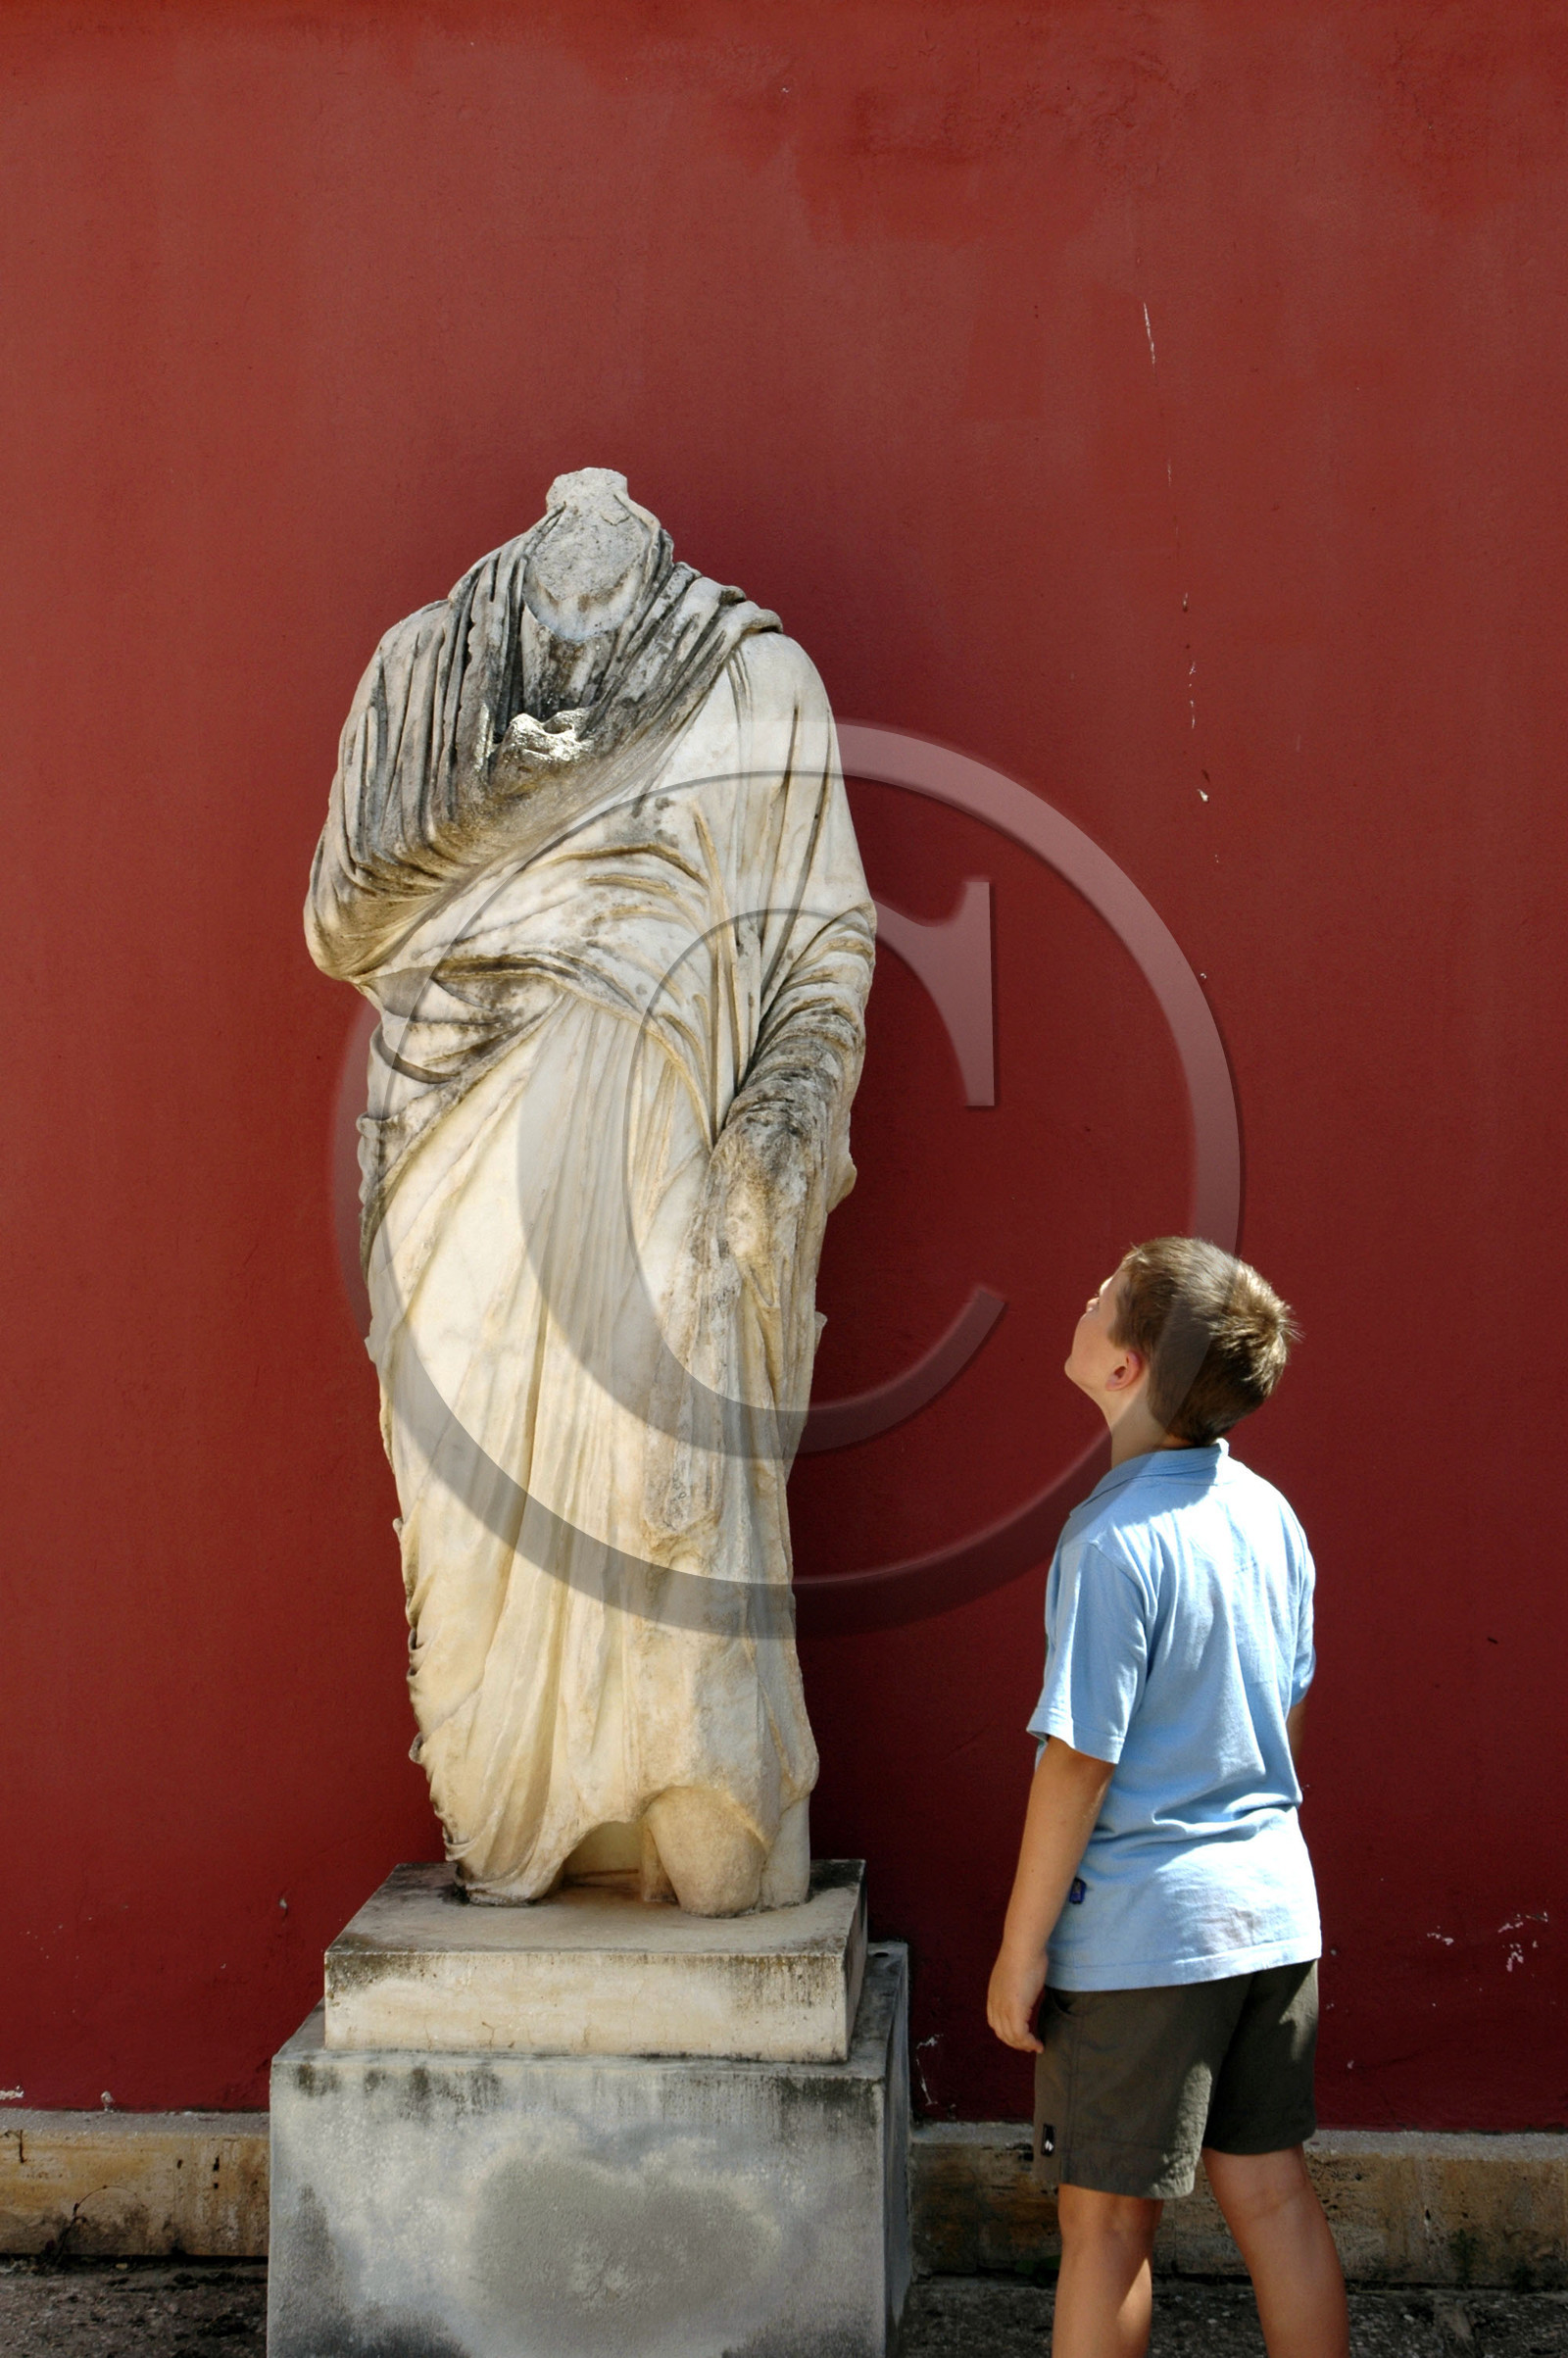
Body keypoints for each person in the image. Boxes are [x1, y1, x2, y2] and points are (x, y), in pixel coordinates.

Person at [306, 469, 874, 1915]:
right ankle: (522, 1807)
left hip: (662, 1148)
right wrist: (516, 809)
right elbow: (337, 917)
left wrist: (781, 1124)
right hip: (454, 1146)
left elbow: (822, 945)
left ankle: (697, 1800)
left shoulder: (754, 677)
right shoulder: (425, 668)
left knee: (666, 1476)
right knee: (474, 1499)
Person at [986, 1238, 1348, 2358]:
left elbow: (1078, 1762)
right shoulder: (1268, 1516)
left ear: (1124, 1368)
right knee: (1275, 2201)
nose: (1082, 1296)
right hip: (1274, 1916)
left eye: (1103, 1297)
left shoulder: (1109, 1541)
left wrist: (1021, 1945)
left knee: (1103, 2225)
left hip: (1146, 1937)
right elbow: (1284, 1716)